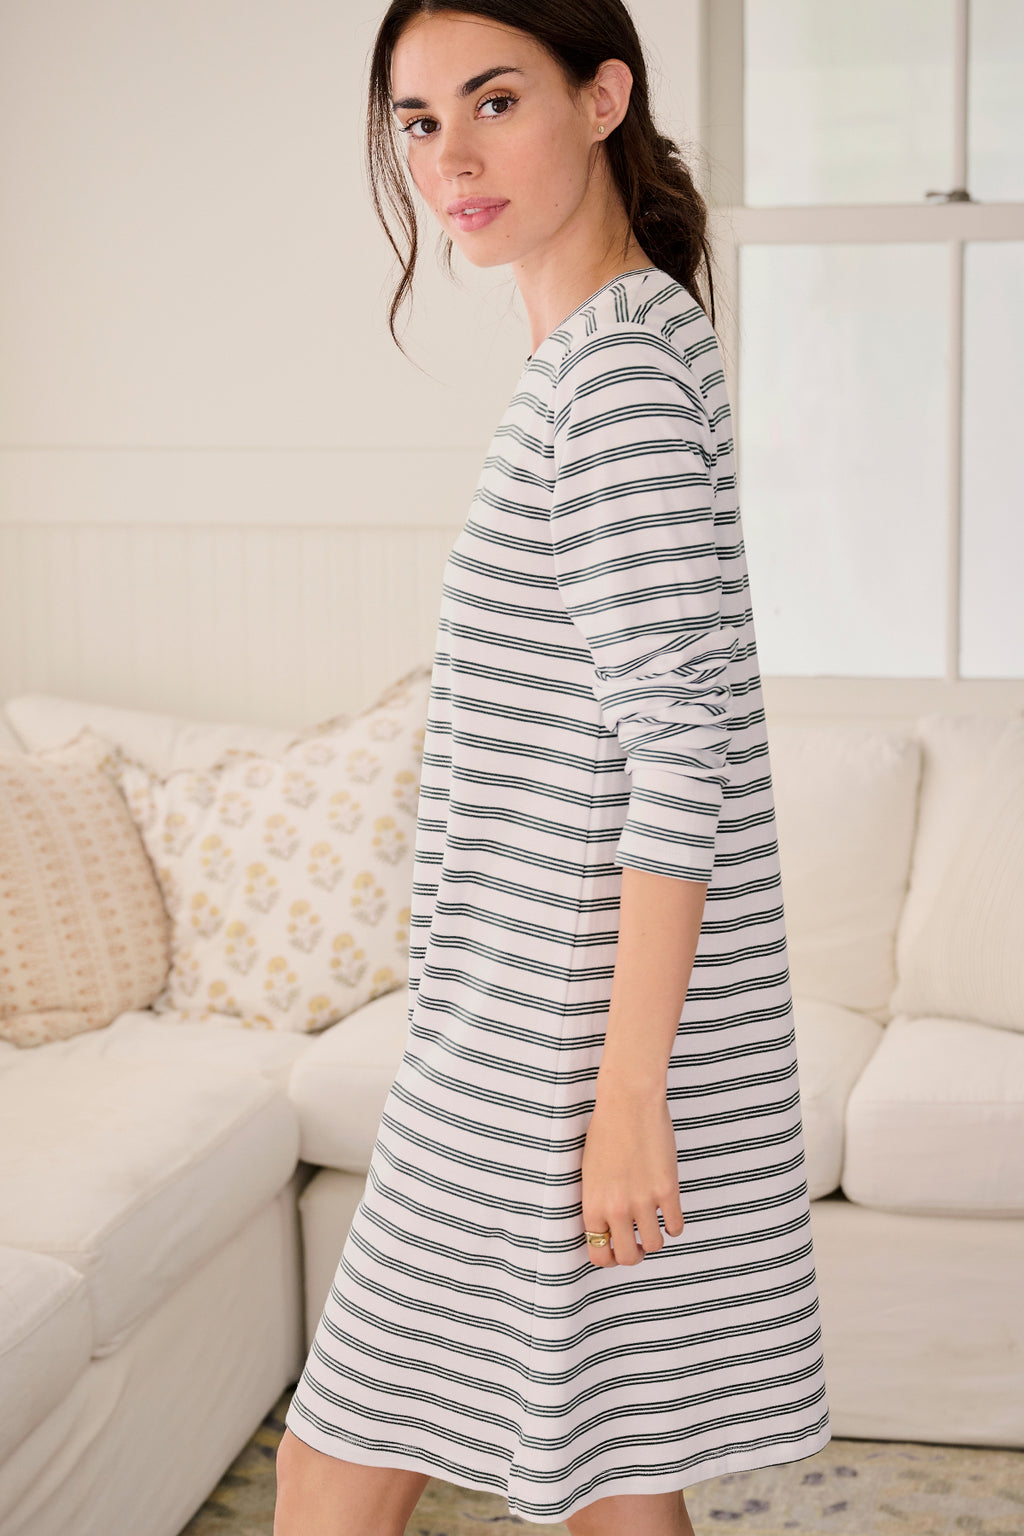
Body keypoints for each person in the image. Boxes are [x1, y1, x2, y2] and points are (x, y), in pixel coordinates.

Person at [274, 3, 831, 1533]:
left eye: (494, 101)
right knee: (610, 1482)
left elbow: (682, 748)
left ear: (603, 98)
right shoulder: (617, 349)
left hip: (540, 1051)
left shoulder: (618, 378)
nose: (449, 157)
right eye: (417, 121)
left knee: (334, 1460)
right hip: (536, 1024)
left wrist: (627, 1092)